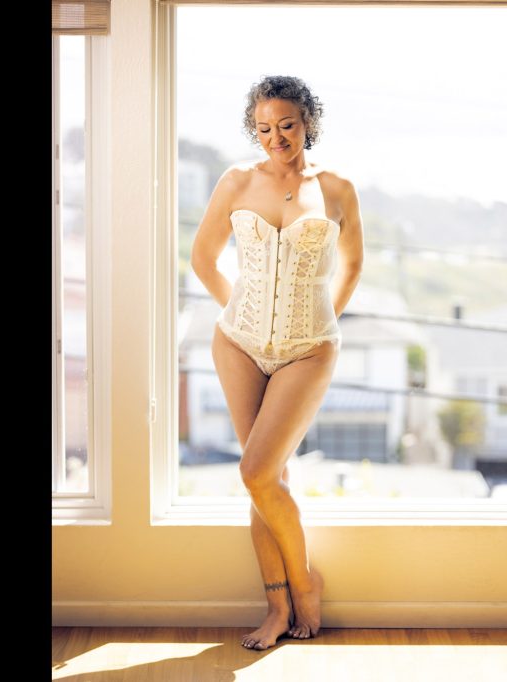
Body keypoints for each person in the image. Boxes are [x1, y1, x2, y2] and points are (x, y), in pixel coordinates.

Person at [189, 75, 364, 651]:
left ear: (307, 121)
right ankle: (278, 604)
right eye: (263, 128)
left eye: (286, 125)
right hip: (237, 343)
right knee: (265, 480)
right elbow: (204, 258)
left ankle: (306, 586)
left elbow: (353, 265)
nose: (275, 137)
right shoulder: (236, 181)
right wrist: (238, 312)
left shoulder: (337, 188)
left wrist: (321, 322)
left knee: (257, 473)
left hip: (308, 349)